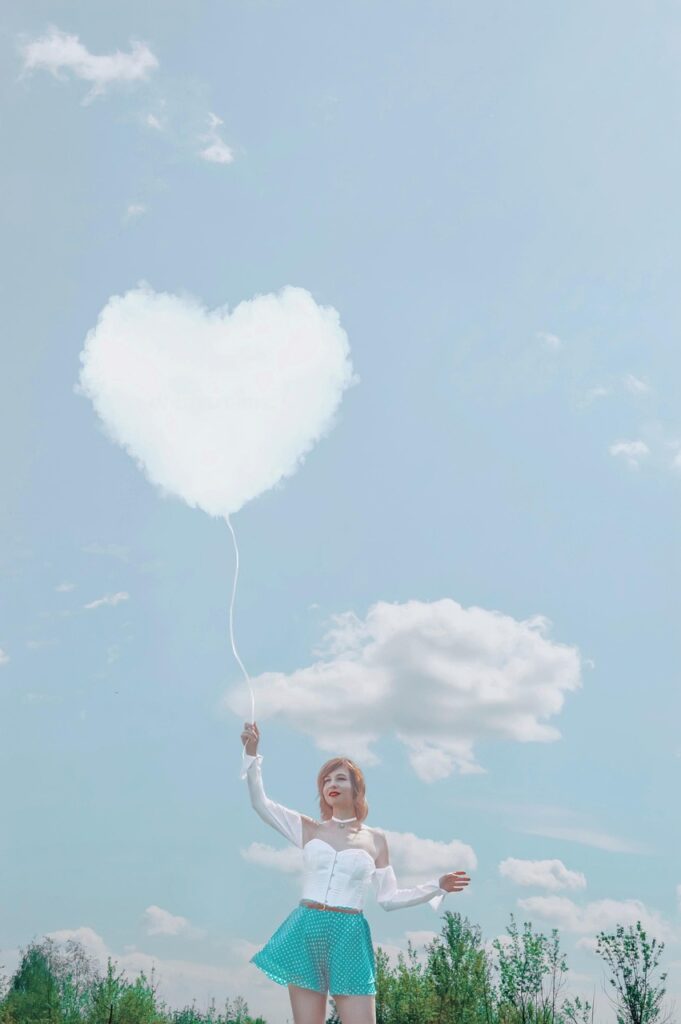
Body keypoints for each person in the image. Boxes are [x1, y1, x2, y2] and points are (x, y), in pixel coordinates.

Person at [240, 721, 471, 1024]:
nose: (331, 784)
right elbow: (261, 803)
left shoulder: (376, 840)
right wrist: (252, 754)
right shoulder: (308, 828)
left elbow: (388, 898)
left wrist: (435, 886)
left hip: (349, 934)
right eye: (326, 780)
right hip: (306, 929)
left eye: (340, 778)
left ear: (356, 788)